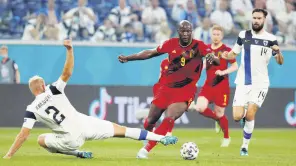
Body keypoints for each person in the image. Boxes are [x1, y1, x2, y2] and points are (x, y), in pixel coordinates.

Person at [2, 39, 178, 160]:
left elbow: (24, 135)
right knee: (122, 130)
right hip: (85, 124)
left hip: (69, 140)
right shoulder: (53, 90)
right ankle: (161, 138)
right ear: (42, 87)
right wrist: (70, 50)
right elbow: (67, 72)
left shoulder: (31, 108)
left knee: (40, 138)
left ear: (33, 91)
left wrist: (9, 154)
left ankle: (76, 154)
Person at [118, 20, 219, 159]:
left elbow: (215, 59)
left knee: (169, 117)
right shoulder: (170, 43)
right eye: (183, 31)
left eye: (188, 31)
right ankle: (149, 137)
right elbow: (150, 53)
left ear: (192, 32)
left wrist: (211, 57)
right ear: (178, 32)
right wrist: (128, 58)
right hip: (166, 88)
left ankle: (146, 150)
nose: (185, 34)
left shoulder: (199, 46)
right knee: (150, 120)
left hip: (185, 90)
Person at [222, 8, 284, 156]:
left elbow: (280, 62)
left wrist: (278, 51)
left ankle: (244, 146)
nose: (256, 21)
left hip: (260, 83)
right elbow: (234, 52)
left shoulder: (271, 39)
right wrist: (226, 55)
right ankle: (244, 121)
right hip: (243, 81)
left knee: (250, 114)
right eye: (254, 18)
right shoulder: (243, 35)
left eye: (259, 18)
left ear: (264, 20)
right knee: (237, 117)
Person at [196, 25, 238, 147]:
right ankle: (217, 120)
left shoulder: (226, 50)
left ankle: (226, 137)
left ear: (222, 36)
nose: (215, 37)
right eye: (214, 34)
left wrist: (223, 72)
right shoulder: (207, 49)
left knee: (220, 113)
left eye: (218, 34)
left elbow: (235, 66)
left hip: (222, 85)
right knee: (200, 107)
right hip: (208, 85)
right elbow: (203, 63)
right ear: (211, 35)